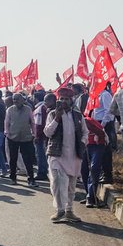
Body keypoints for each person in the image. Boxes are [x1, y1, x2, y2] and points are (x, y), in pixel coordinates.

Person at [44, 88, 88, 223]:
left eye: (66, 99)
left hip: (73, 155)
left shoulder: (78, 116)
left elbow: (85, 132)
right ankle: (59, 211)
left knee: (70, 185)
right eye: (61, 99)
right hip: (56, 154)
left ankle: (69, 211)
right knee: (57, 183)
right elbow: (47, 133)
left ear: (71, 101)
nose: (63, 101)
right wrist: (57, 118)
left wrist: (82, 142)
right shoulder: (52, 114)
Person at [4, 93, 37, 188]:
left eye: (17, 99)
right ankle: (13, 178)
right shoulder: (10, 110)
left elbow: (32, 122)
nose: (15, 101)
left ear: (23, 100)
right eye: (14, 99)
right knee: (12, 159)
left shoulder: (28, 109)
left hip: (26, 138)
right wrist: (7, 133)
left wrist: (34, 134)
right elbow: (6, 122)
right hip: (12, 137)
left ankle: (31, 179)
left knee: (28, 159)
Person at [92, 82, 116, 184]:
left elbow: (108, 111)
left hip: (104, 124)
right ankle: (102, 172)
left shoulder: (105, 95)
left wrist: (102, 125)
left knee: (105, 150)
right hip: (97, 123)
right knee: (99, 150)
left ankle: (107, 175)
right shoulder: (97, 95)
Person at [81, 112, 107, 208]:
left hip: (97, 145)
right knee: (83, 170)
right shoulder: (70, 123)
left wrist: (97, 134)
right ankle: (89, 193)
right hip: (85, 146)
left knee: (94, 168)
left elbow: (101, 132)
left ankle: (90, 197)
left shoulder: (88, 120)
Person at [33, 92, 56, 182]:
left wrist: (37, 136)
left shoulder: (42, 109)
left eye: (47, 100)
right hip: (46, 135)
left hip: (43, 136)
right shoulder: (47, 109)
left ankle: (42, 172)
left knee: (41, 155)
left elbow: (39, 124)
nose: (45, 102)